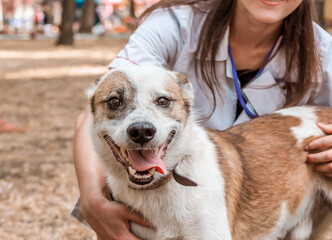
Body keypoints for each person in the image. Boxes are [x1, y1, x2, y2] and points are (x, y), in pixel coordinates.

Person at [73, 0, 332, 239]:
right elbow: (96, 106)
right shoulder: (174, 24)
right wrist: (92, 200)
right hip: (188, 167)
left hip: (267, 181)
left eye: (163, 101)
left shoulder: (322, 51)